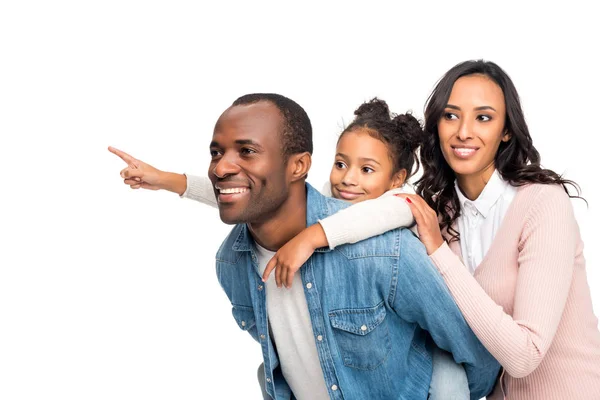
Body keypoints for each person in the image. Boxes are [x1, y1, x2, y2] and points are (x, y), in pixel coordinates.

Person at [110, 93, 500, 399]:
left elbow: (474, 355)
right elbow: (243, 193)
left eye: (246, 151)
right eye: (216, 153)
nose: (222, 167)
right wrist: (167, 180)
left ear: (298, 166)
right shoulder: (231, 260)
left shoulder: (387, 240)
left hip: (428, 366)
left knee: (450, 378)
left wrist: (310, 238)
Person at [387, 60, 600, 399]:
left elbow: (524, 355)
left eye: (483, 117)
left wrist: (439, 253)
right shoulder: (441, 216)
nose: (463, 132)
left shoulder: (542, 204)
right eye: (451, 115)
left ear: (506, 131)